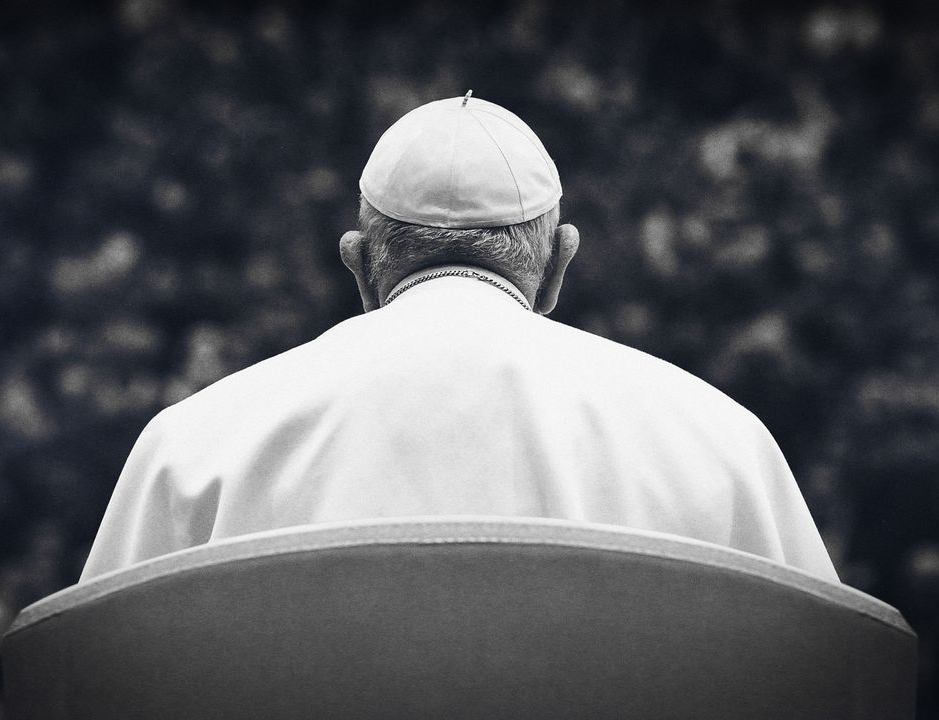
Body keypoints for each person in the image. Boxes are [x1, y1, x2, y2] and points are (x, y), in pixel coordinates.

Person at [80, 94, 839, 583]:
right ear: (558, 265)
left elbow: (92, 678)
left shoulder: (192, 448)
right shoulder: (719, 444)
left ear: (359, 265)